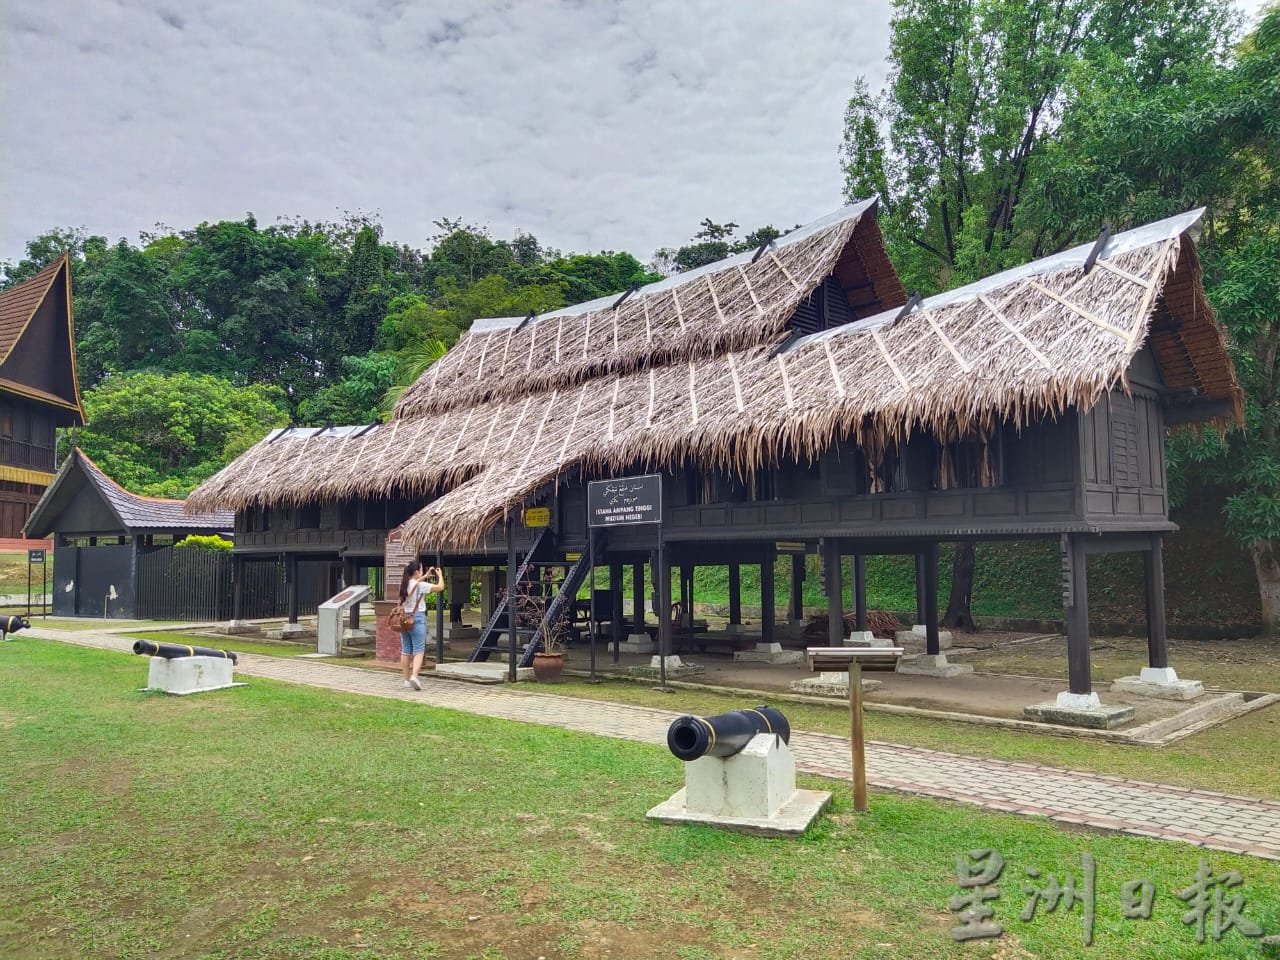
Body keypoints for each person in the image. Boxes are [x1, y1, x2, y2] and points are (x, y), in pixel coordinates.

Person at [399, 561, 444, 690]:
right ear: (417, 572)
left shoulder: (404, 584)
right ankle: (414, 676)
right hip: (417, 617)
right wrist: (440, 575)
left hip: (404, 619)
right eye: (421, 570)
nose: (422, 571)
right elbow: (440, 587)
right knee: (419, 650)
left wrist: (426, 576)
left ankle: (407, 679)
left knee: (405, 650)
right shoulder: (420, 585)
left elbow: (416, 584)